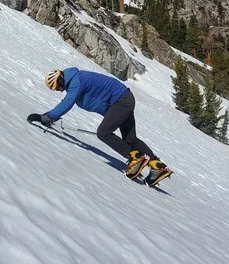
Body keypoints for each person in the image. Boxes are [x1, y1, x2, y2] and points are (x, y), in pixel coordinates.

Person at [29, 68, 172, 186]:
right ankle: (157, 166)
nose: (59, 90)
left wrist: (45, 118)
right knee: (130, 139)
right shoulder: (76, 80)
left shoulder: (76, 81)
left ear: (60, 79)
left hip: (120, 101)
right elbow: (71, 99)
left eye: (57, 87)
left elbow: (67, 103)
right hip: (124, 99)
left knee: (103, 133)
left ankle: (134, 158)